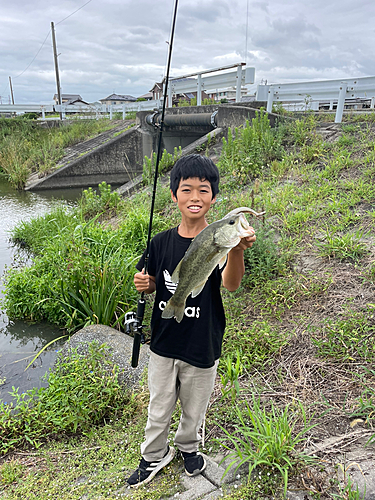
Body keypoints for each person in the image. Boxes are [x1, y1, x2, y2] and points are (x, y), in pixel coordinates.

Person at [127, 154, 256, 488]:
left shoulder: (221, 242)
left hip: (203, 339)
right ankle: (154, 454)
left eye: (203, 190)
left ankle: (188, 448)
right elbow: (156, 280)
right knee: (159, 404)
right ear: (174, 196)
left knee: (194, 407)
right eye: (187, 189)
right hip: (164, 340)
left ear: (213, 197)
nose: (195, 197)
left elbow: (230, 284)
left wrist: (238, 249)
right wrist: (147, 283)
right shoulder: (160, 242)